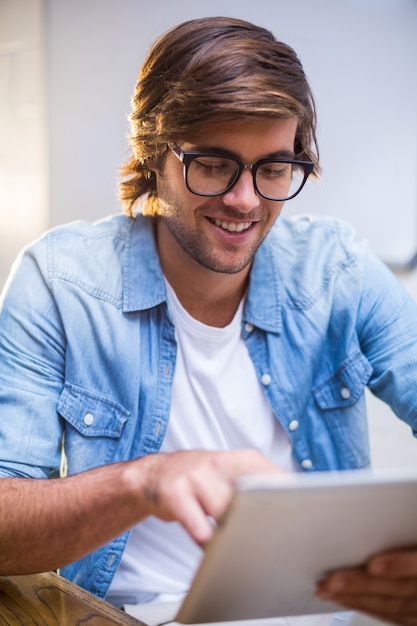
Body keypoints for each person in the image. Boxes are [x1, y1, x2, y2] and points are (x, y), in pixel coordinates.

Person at [0, 14, 417, 626]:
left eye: (274, 168)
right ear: (152, 153)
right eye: (215, 164)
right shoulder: (60, 281)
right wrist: (145, 481)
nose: (245, 200)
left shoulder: (340, 270)